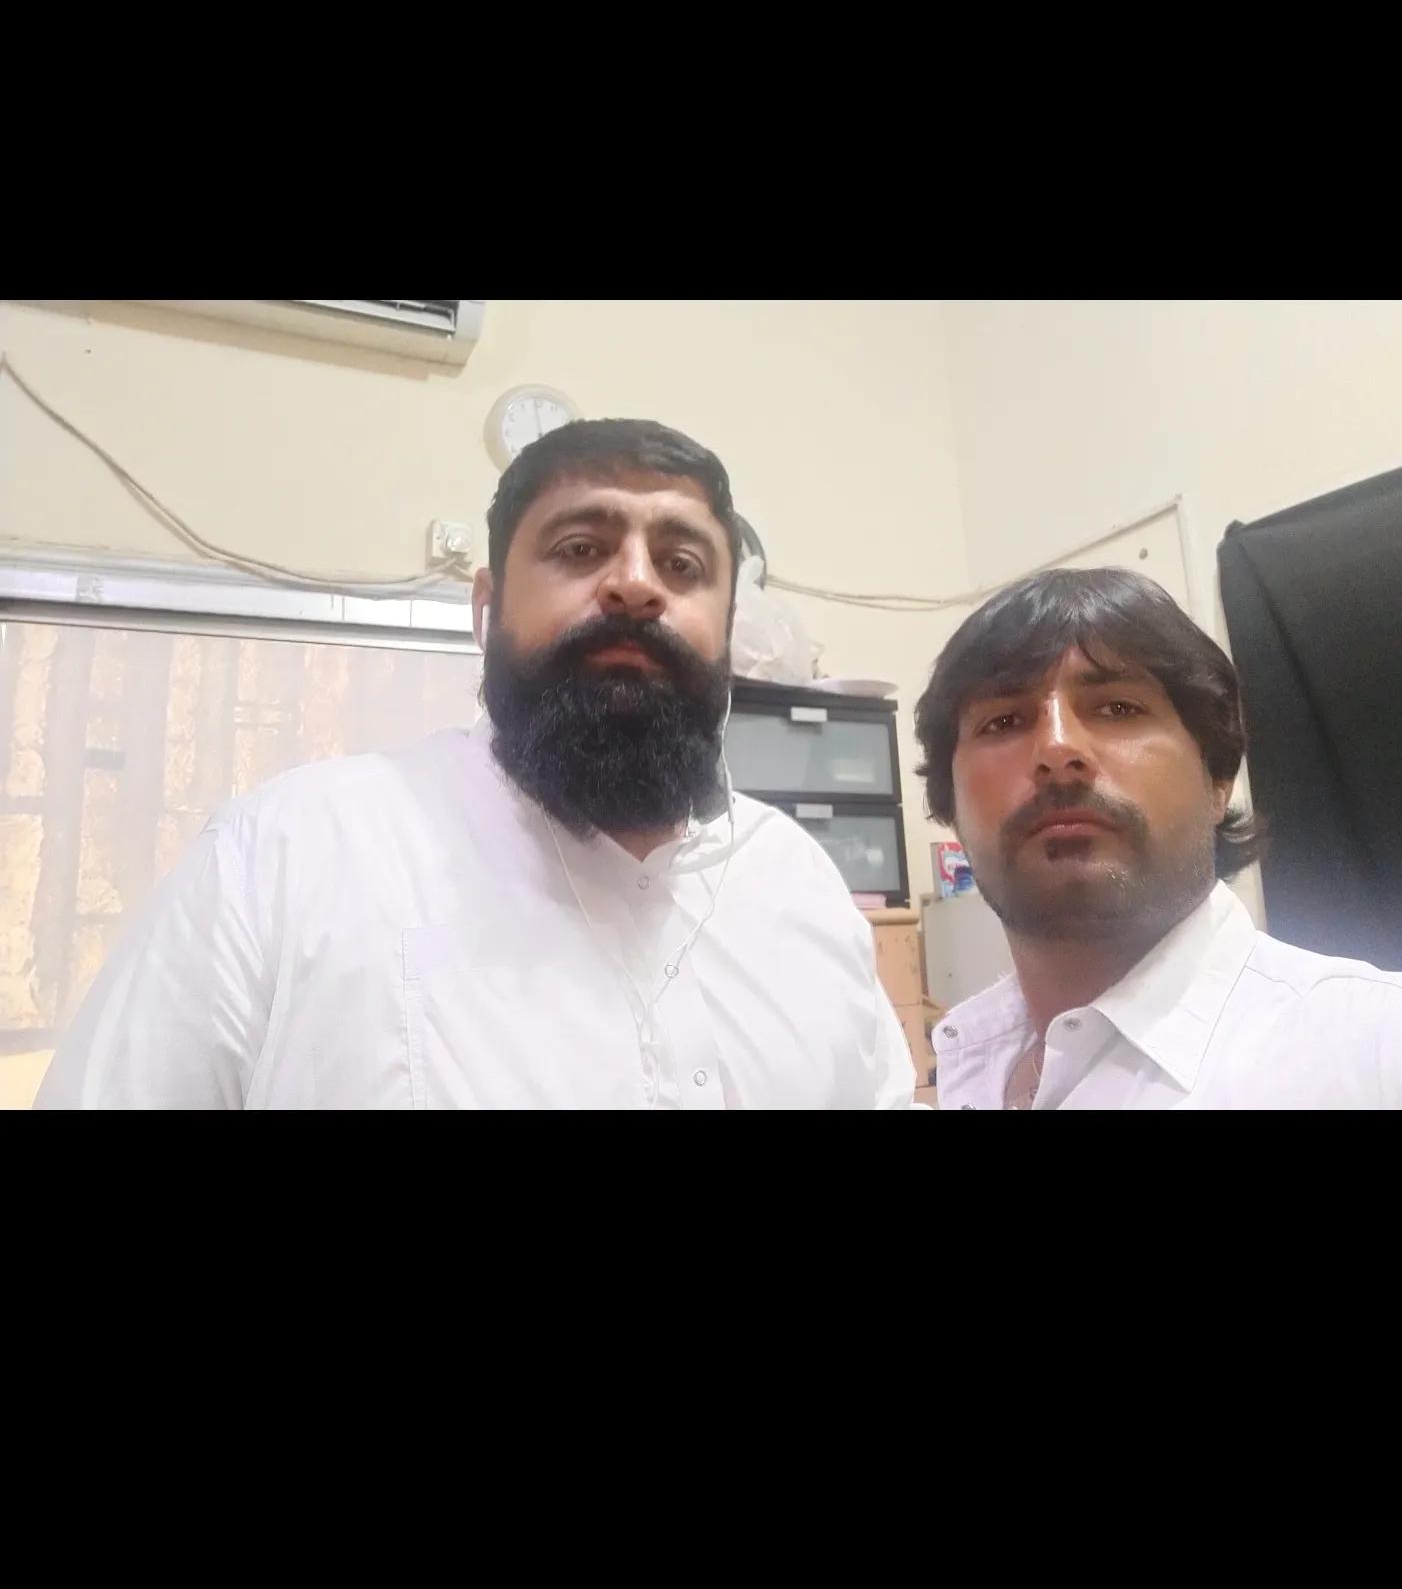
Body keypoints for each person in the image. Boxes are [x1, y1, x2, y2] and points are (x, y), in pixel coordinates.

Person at [37, 417, 915, 1110]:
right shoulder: (283, 858)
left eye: (682, 564)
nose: (635, 584)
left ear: (726, 632)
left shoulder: (799, 884)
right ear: (486, 610)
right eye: (580, 549)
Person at [912, 568, 1402, 1111]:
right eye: (1003, 721)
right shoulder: (963, 1062)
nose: (1057, 748)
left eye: (1118, 708)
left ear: (1217, 781)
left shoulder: (1398, 1053)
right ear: (951, 809)